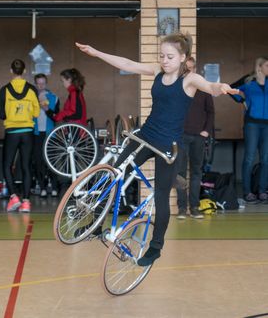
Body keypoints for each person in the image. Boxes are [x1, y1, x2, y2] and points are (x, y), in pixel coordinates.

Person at [76, 31, 238, 266]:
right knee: (115, 173)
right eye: (162, 55)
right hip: (145, 136)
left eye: (170, 57)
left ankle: (155, 247)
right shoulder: (157, 71)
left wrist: (221, 86)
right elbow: (127, 63)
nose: (164, 60)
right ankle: (96, 224)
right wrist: (96, 52)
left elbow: (210, 87)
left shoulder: (189, 79)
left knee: (161, 197)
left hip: (169, 146)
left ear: (183, 57)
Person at [0, 59, 40, 213]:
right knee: (26, 166)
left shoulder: (5, 90)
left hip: (12, 132)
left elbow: (1, 114)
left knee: (7, 165)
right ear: (24, 71)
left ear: (11, 71)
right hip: (28, 132)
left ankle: (14, 196)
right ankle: (27, 202)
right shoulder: (32, 89)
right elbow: (36, 112)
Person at [176, 57, 215, 219]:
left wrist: (206, 130)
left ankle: (194, 207)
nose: (189, 71)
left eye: (192, 68)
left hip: (199, 136)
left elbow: (211, 112)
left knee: (196, 172)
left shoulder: (204, 88)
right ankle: (182, 209)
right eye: (187, 68)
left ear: (196, 69)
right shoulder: (177, 87)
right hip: (181, 136)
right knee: (180, 174)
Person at [230, 56, 268, 203]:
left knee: (266, 159)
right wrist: (242, 99)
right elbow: (230, 88)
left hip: (267, 125)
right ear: (259, 67)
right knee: (249, 157)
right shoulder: (248, 82)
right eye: (267, 66)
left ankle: (262, 191)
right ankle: (247, 192)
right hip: (252, 124)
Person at [33, 73, 60, 197]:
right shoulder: (31, 97)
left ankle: (54, 187)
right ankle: (42, 187)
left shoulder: (54, 97)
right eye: (38, 83)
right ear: (35, 83)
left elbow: (57, 117)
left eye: (43, 83)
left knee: (52, 161)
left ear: (46, 83)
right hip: (36, 133)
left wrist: (47, 109)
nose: (41, 85)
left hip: (51, 134)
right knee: (39, 161)